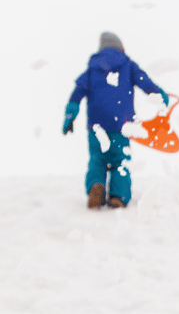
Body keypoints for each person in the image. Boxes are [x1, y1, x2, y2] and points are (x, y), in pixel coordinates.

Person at [62, 32, 169, 209]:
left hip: (96, 125)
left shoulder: (91, 70)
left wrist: (69, 117)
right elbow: (145, 82)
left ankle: (96, 185)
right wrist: (161, 96)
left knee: (97, 159)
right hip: (122, 124)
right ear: (120, 47)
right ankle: (118, 196)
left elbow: (76, 95)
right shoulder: (128, 65)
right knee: (120, 161)